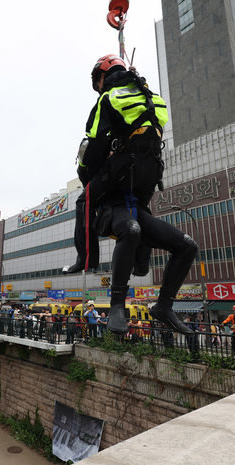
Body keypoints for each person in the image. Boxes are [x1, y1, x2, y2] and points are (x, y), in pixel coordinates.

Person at [76, 54, 197, 335]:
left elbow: (93, 146)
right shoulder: (153, 100)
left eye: (98, 83)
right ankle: (117, 306)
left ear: (102, 77)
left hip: (132, 200)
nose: (99, 88)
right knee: (131, 230)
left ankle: (163, 306)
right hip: (110, 205)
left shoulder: (109, 100)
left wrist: (89, 171)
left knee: (187, 246)